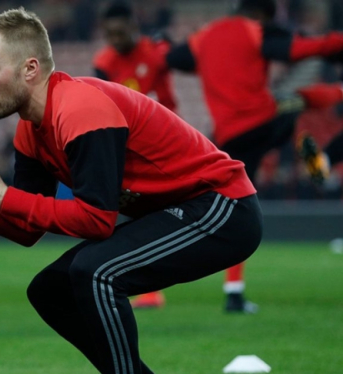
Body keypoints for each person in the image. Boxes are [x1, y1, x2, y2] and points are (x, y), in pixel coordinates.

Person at [0, 8, 262, 374]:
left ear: (30, 69)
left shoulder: (79, 109)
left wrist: (3, 196)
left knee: (95, 271)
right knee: (50, 290)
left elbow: (96, 220)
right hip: (177, 210)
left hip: (223, 208)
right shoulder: (30, 130)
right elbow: (26, 228)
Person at [93, 2, 255, 312]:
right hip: (131, 149)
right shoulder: (103, 62)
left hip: (169, 145)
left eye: (120, 32)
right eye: (109, 34)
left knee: (217, 199)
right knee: (137, 213)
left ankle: (231, 285)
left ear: (133, 27)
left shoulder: (156, 50)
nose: (115, 39)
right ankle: (146, 288)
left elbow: (191, 61)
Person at [165, 0, 343, 188]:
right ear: (260, 15)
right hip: (262, 123)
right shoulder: (254, 30)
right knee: (296, 99)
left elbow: (174, 58)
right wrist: (335, 43)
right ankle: (339, 92)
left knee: (242, 188)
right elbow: (297, 50)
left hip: (229, 137)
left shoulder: (204, 36)